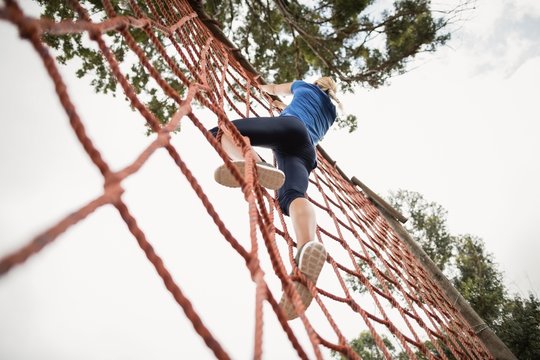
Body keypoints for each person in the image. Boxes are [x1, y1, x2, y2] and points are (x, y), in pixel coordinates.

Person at [210, 77, 341, 320]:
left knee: (220, 131)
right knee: (292, 196)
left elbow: (271, 90)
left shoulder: (303, 85)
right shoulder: (331, 113)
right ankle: (306, 248)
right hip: (306, 150)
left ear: (316, 82)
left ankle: (254, 164)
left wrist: (258, 86)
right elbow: (300, 110)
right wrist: (283, 108)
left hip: (290, 128)